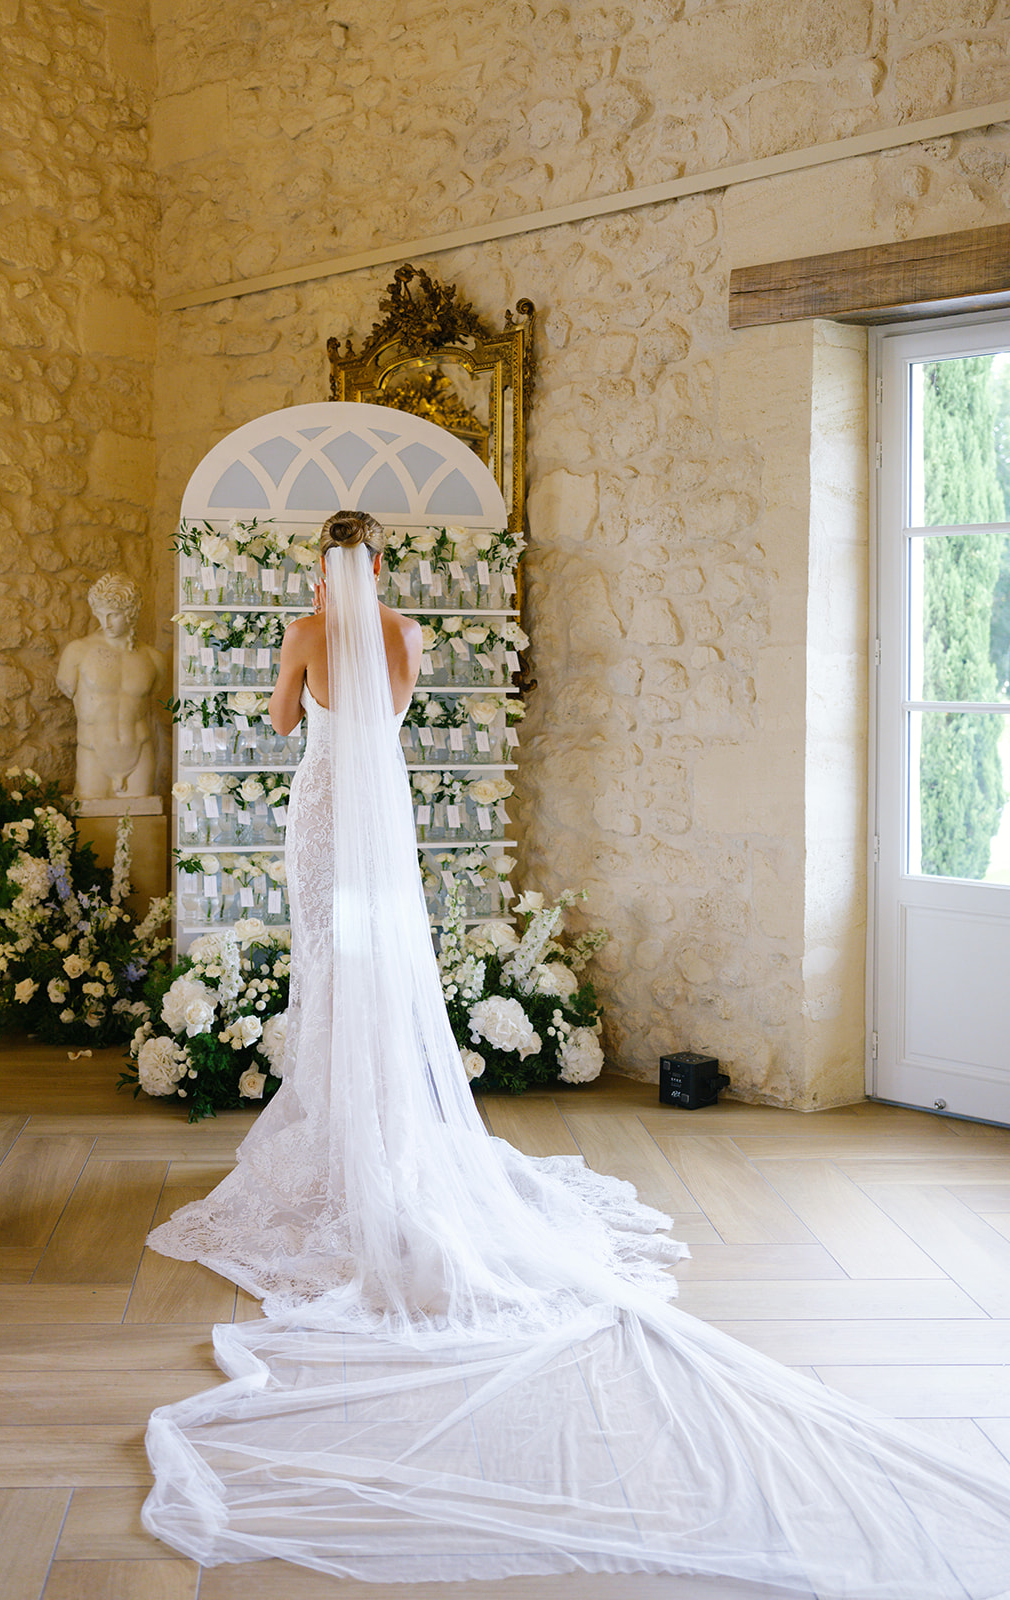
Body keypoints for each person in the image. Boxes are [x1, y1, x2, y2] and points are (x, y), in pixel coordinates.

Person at [143, 512, 1010, 1593]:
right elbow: (397, 723)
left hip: (323, 816)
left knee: (330, 970)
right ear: (383, 569)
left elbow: (287, 726)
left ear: (324, 568)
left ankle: (333, 1129)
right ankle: (384, 1128)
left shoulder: (306, 633)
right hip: (386, 818)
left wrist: (304, 680)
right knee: (374, 976)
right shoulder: (408, 634)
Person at [57, 571, 165, 801]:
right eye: (100, 614)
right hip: (93, 753)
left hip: (140, 755)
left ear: (131, 613)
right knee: (93, 828)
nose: (105, 623)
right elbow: (66, 684)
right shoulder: (78, 652)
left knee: (144, 827)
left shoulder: (153, 659)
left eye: (114, 615)